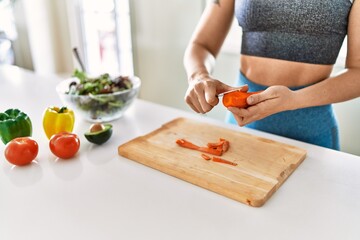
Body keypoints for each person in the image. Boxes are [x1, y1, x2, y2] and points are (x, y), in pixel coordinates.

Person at [183, 0, 360, 150]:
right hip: (241, 125)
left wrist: (295, 99)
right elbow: (202, 44)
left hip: (311, 133)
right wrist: (198, 76)